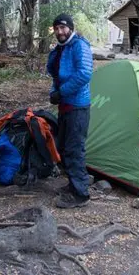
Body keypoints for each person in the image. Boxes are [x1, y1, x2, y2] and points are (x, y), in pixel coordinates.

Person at [46, 13, 93, 208]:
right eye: (56, 28)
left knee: (74, 149)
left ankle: (81, 194)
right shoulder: (61, 48)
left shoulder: (79, 46)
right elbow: (56, 76)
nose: (60, 31)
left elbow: (84, 74)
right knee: (64, 147)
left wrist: (62, 92)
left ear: (71, 28)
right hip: (65, 105)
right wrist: (53, 92)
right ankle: (73, 185)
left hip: (77, 106)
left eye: (63, 28)